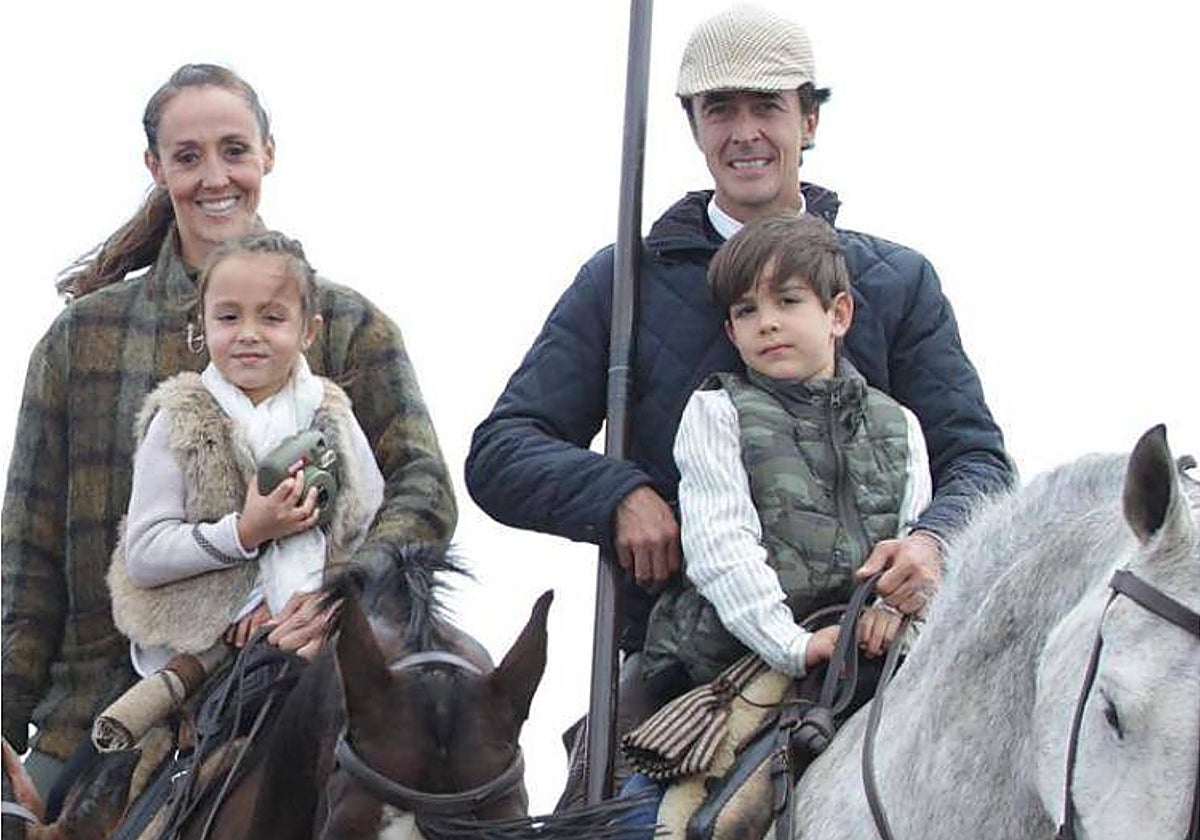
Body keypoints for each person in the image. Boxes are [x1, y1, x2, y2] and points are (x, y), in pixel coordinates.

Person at [465, 4, 1013, 800]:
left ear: (811, 119)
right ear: (693, 126)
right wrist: (617, 495)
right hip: (684, 670)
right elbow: (502, 450)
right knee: (612, 817)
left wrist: (932, 543)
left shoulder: (898, 282)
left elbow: (979, 462)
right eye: (720, 108)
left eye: (769, 106)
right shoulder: (622, 282)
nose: (745, 131)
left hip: (880, 653)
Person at [1, 64, 456, 801]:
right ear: (157, 169)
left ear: (267, 155)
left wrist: (338, 595)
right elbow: (27, 559)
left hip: (308, 696)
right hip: (99, 710)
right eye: (188, 157)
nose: (215, 176)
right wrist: (5, 718)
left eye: (234, 150)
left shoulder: (349, 327)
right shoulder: (79, 340)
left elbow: (425, 490)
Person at [641, 213, 931, 690]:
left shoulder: (899, 424)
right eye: (746, 311)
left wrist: (890, 615)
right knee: (666, 761)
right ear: (731, 333)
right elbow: (720, 544)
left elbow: (911, 536)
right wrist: (791, 644)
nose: (768, 323)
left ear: (838, 315)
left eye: (788, 301)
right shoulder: (717, 413)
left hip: (864, 653)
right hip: (727, 664)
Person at [108, 230, 385, 677]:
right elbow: (144, 552)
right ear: (202, 323)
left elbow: (367, 524)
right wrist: (245, 532)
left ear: (308, 330)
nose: (248, 334)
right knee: (118, 740)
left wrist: (303, 602)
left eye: (272, 318)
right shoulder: (181, 419)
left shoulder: (330, 413)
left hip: (314, 631)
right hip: (197, 651)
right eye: (229, 317)